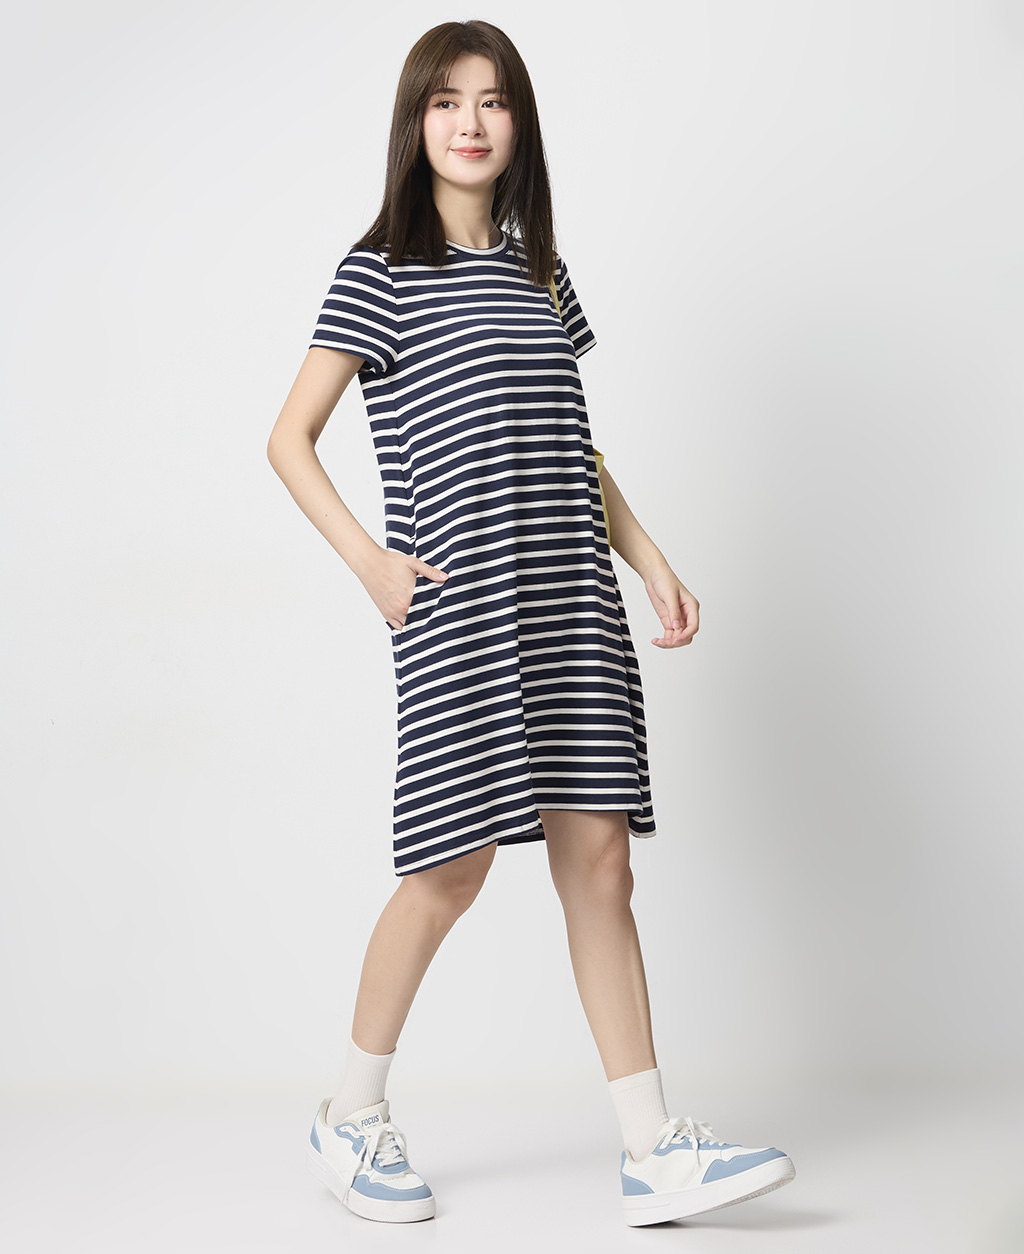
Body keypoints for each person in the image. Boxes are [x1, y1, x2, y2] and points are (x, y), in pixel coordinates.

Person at [267, 18, 795, 1229]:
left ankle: (652, 1148)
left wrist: (649, 559)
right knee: (448, 867)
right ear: (414, 124)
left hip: (568, 602)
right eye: (445, 101)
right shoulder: (377, 271)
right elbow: (287, 439)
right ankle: (350, 1113)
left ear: (520, 125)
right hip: (459, 609)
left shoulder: (540, 273)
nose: (470, 122)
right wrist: (370, 566)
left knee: (599, 861)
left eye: (493, 101)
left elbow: (571, 443)